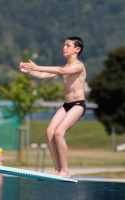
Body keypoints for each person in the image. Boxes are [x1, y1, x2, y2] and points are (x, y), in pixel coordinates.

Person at [19, 36, 86, 178]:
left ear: (77, 49)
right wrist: (29, 70)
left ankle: (65, 171)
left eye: (68, 45)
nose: (64, 47)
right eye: (64, 45)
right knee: (49, 132)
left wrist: (37, 66)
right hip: (67, 105)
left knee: (59, 132)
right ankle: (58, 169)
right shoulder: (63, 66)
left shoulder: (79, 66)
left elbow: (61, 72)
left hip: (78, 105)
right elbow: (42, 75)